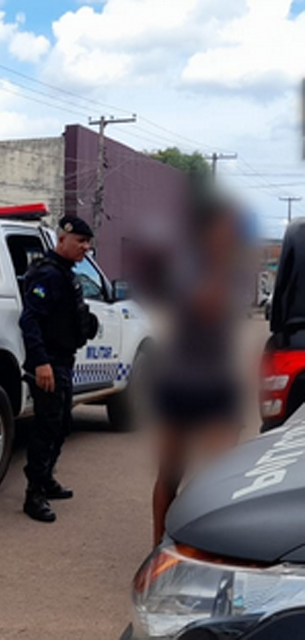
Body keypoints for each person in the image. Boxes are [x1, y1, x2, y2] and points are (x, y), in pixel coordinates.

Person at [149, 194, 247, 546]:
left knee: (221, 471)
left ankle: (210, 539)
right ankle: (158, 542)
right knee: (170, 471)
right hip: (181, 379)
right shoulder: (186, 267)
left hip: (218, 380)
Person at [19, 216, 99, 523]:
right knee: (46, 428)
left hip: (64, 360)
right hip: (49, 363)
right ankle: (33, 494)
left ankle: (47, 478)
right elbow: (29, 320)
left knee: (63, 424)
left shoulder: (66, 274)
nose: (85, 247)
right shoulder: (47, 275)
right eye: (80, 241)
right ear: (62, 239)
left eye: (87, 242)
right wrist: (41, 362)